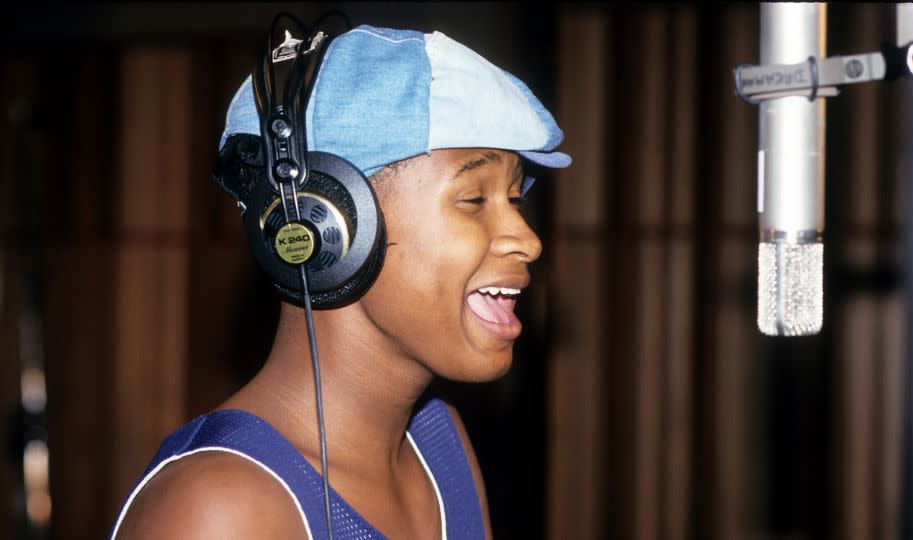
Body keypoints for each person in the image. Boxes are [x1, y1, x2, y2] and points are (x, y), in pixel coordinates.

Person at [110, 19, 570, 540]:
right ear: (328, 220)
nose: (527, 240)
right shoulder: (217, 509)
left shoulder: (441, 446)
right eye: (473, 200)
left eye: (514, 198)